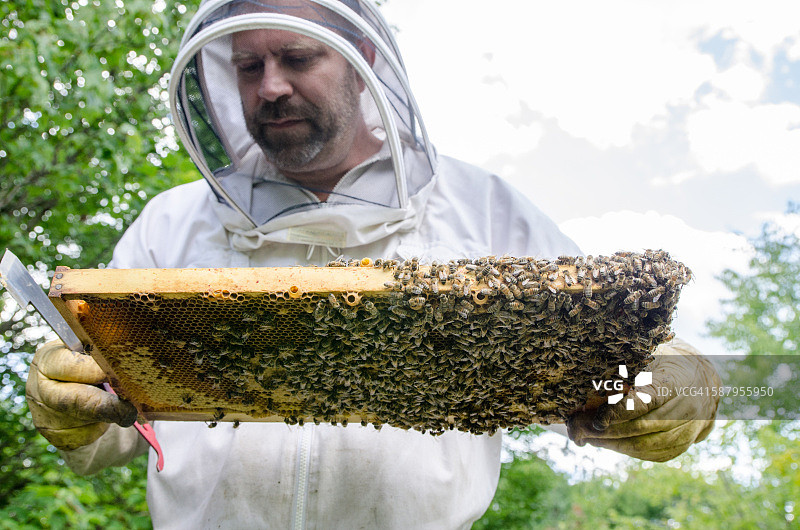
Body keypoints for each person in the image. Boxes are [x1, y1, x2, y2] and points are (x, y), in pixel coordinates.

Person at [25, 1, 720, 527]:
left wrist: (679, 384)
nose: (270, 87)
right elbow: (108, 420)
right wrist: (68, 402)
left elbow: (604, 360)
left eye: (297, 58)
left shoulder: (481, 210)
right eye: (249, 66)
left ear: (360, 60)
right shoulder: (173, 222)